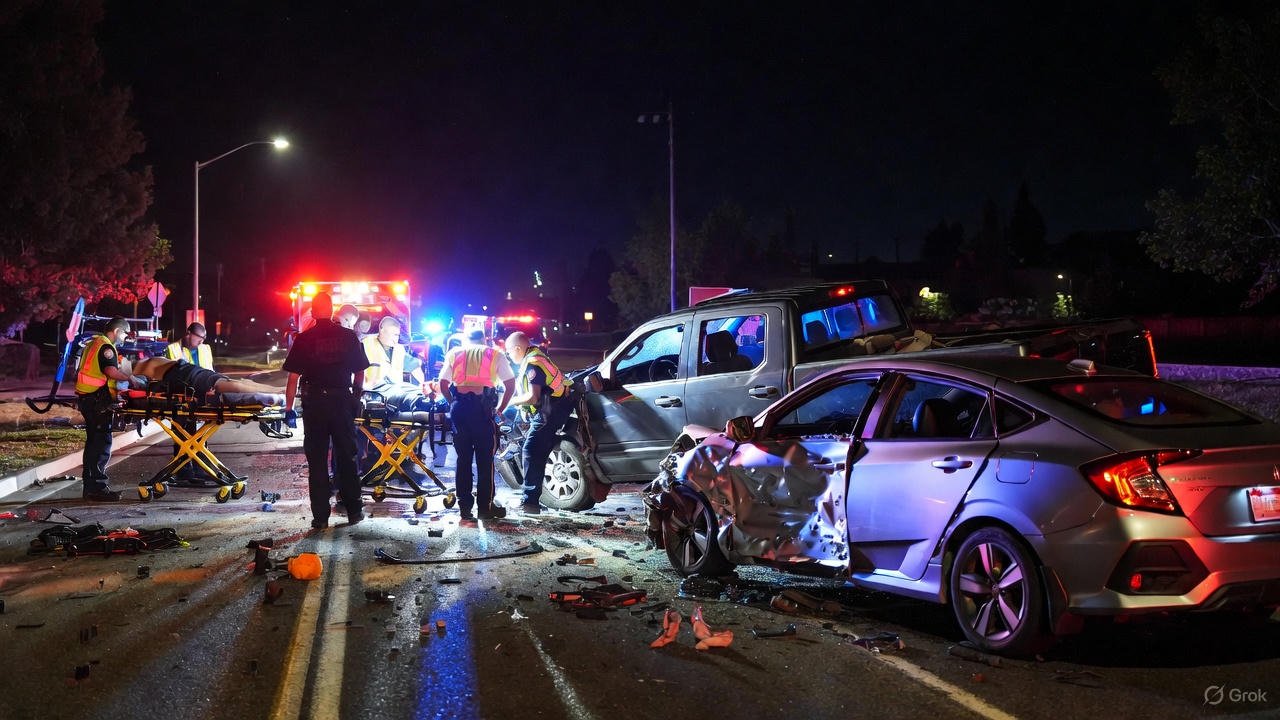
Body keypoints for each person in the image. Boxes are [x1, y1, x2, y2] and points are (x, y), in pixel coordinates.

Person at [281, 292, 370, 530]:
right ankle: (354, 511)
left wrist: (289, 409)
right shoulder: (349, 336)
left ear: (312, 311)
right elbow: (360, 371)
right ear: (332, 311)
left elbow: (293, 378)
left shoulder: (304, 338)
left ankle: (320, 517)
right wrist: (355, 396)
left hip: (315, 407)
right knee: (347, 458)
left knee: (318, 461)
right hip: (341, 403)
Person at [437, 328, 514, 520]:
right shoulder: (495, 353)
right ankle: (485, 508)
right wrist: (500, 409)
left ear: (466, 340)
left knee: (463, 460)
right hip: (482, 409)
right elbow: (510, 384)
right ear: (485, 339)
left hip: (460, 409)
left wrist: (452, 402)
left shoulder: (455, 353)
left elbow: (443, 383)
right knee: (485, 461)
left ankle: (465, 508)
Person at [505, 331, 574, 514]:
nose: (509, 356)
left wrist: (510, 402)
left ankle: (530, 503)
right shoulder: (537, 355)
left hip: (548, 410)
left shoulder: (532, 363)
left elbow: (533, 397)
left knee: (530, 451)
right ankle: (532, 500)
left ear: (518, 348)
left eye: (509, 352)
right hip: (555, 408)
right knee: (539, 452)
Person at [74, 317, 139, 501]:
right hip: (96, 401)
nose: (125, 338)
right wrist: (130, 378)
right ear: (117, 331)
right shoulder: (106, 347)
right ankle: (97, 488)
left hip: (89, 398)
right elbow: (110, 372)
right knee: (101, 444)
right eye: (125, 334)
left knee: (94, 443)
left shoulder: (94, 343)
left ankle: (91, 487)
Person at [164, 322, 215, 485]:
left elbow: (210, 370)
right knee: (181, 436)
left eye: (203, 338)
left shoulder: (205, 349)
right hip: (181, 399)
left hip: (201, 399)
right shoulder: (173, 349)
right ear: (188, 334)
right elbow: (170, 375)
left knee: (199, 437)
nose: (201, 341)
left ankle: (200, 469)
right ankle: (183, 471)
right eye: (198, 338)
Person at [132, 357, 284, 397]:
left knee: (227, 385)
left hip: (185, 376)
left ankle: (275, 391)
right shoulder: (150, 361)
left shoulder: (141, 369)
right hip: (189, 371)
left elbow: (146, 386)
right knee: (230, 383)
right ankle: (276, 390)